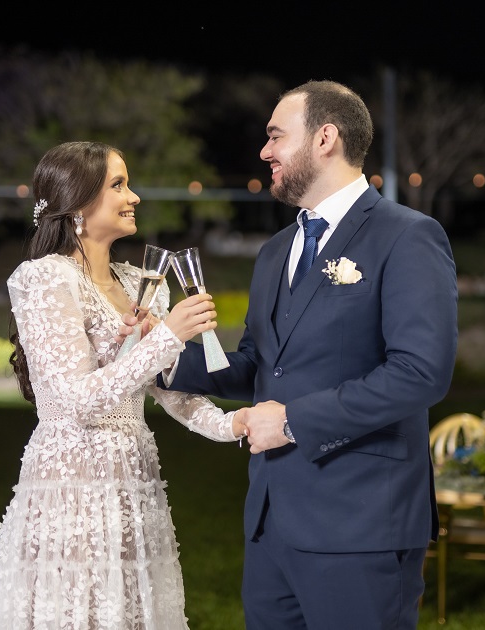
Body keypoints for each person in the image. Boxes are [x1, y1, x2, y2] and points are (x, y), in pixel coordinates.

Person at [156, 80, 459, 628]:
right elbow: (257, 363)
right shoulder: (275, 252)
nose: (265, 152)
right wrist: (163, 358)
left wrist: (294, 421)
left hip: (362, 522)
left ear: (325, 138)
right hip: (272, 522)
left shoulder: (408, 236)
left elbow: (420, 374)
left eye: (276, 136)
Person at [0, 141, 246, 629]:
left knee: (129, 610)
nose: (134, 196)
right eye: (118, 185)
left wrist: (234, 424)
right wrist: (164, 336)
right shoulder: (44, 279)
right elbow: (71, 400)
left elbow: (171, 392)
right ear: (78, 203)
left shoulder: (145, 282)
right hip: (72, 480)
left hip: (132, 476)